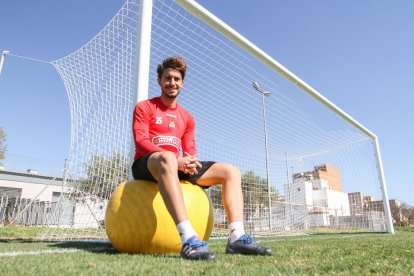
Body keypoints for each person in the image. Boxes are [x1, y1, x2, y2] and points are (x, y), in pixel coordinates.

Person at [132, 56, 272, 260]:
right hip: (147, 165)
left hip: (176, 165)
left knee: (231, 172)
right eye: (167, 78)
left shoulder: (187, 118)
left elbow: (190, 151)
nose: (172, 83)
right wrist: (174, 159)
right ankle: (189, 239)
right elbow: (141, 141)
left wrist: (189, 163)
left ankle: (236, 237)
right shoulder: (145, 107)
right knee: (167, 159)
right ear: (159, 81)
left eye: (176, 79)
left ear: (182, 83)